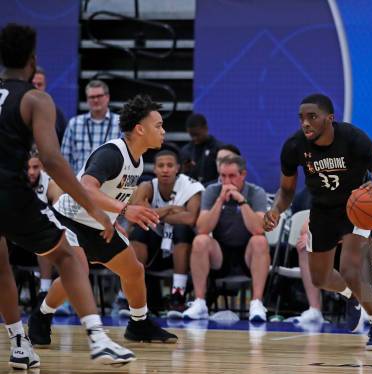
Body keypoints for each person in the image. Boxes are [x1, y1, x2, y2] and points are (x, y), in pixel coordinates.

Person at [0, 23, 134, 366]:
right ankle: (99, 338)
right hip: (9, 192)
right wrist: (96, 208)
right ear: (32, 61)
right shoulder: (35, 99)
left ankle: (19, 345)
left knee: (2, 267)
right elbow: (52, 160)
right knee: (71, 256)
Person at [28, 94, 177, 345]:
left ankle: (138, 324)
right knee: (78, 271)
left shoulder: (137, 161)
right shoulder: (112, 153)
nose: (163, 131)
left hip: (99, 223)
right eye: (158, 125)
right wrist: (124, 211)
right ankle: (41, 316)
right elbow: (86, 188)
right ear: (140, 129)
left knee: (134, 269)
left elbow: (110, 193)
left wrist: (113, 216)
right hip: (70, 219)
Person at [264, 93, 372, 351]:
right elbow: (287, 191)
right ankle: (353, 296)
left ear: (330, 118)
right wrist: (275, 211)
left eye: (312, 117)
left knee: (349, 270)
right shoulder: (294, 146)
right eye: (301, 118)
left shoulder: (354, 138)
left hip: (356, 208)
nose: (305, 123)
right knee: (320, 278)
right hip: (323, 211)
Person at [185, 155, 270, 321]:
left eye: (231, 176)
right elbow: (202, 228)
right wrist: (219, 201)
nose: (226, 181)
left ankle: (257, 303)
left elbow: (258, 229)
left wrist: (242, 201)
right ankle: (200, 302)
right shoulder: (212, 191)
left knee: (260, 240)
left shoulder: (256, 192)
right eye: (223, 176)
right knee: (200, 241)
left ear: (243, 174)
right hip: (220, 254)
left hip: (248, 255)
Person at [129, 149, 204, 318]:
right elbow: (136, 215)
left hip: (182, 248)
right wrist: (170, 209)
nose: (165, 169)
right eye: (161, 166)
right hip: (155, 248)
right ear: (154, 169)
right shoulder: (147, 186)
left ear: (177, 168)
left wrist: (154, 213)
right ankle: (134, 295)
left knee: (181, 229)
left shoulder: (191, 186)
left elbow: (190, 218)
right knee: (139, 230)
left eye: (170, 165)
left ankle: (178, 295)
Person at [61, 79, 122, 173]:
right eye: (92, 97)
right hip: (79, 184)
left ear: (107, 97)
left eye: (99, 96)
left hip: (110, 184)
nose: (96, 100)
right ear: (87, 100)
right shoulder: (74, 124)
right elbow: (65, 159)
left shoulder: (120, 123)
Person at [27, 150, 63, 305]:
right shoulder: (13, 182)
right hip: (16, 236)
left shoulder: (51, 184)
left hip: (38, 237)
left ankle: (44, 290)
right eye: (27, 168)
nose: (31, 172)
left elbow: (60, 214)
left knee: (44, 235)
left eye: (35, 167)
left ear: (42, 167)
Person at [180, 113, 223, 184]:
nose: (194, 138)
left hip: (213, 192)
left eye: (197, 134)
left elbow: (223, 176)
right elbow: (181, 176)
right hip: (191, 192)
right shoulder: (185, 151)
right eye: (191, 135)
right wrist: (184, 170)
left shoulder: (219, 149)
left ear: (206, 128)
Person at [31, 66, 67, 144]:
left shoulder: (57, 114)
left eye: (39, 84)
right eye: (33, 84)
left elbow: (63, 146)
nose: (35, 88)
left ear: (45, 86)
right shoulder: (16, 111)